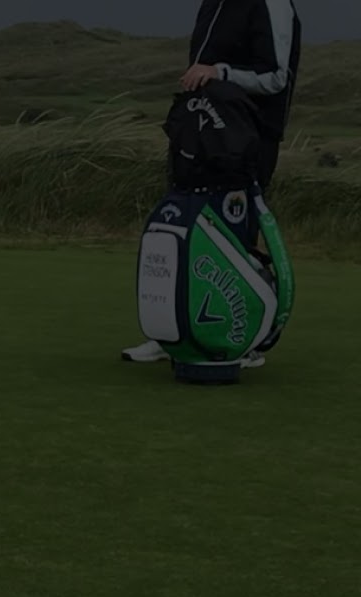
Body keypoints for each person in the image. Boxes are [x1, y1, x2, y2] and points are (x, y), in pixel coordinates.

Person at [122, 0, 301, 367]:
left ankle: (242, 340)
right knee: (186, 231)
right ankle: (175, 332)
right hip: (199, 135)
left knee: (235, 237)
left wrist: (220, 72)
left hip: (247, 139)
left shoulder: (274, 3)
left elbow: (276, 76)